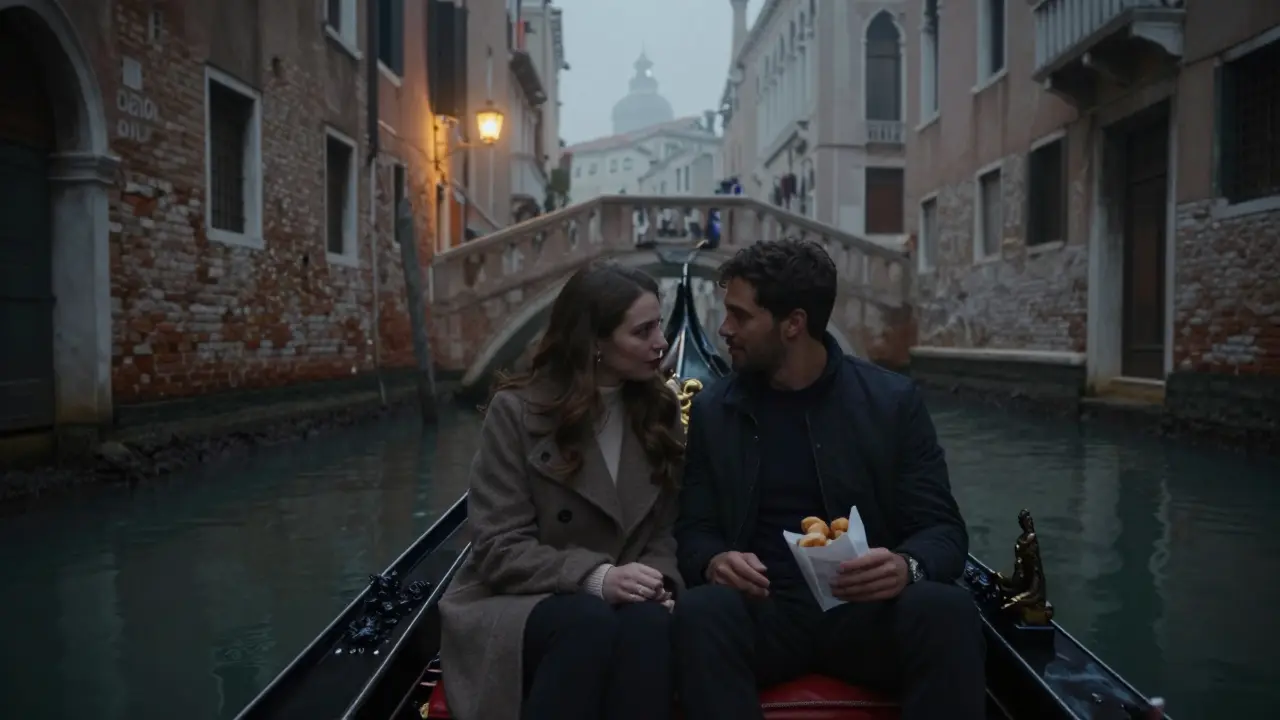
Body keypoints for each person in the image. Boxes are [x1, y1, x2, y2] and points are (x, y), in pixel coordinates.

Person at [671, 239, 985, 720]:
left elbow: (943, 531)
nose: (724, 328)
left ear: (793, 324)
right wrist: (714, 561)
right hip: (766, 614)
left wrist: (907, 566)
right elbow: (693, 531)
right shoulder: (715, 410)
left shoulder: (892, 401)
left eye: (740, 316)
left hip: (866, 616)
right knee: (702, 613)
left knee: (948, 611)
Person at [438, 262, 687, 720]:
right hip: (517, 599)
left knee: (649, 624)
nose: (661, 342)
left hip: (626, 597)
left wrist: (655, 581)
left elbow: (663, 530)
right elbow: (497, 547)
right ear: (595, 342)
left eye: (659, 325)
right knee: (586, 622)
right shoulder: (514, 413)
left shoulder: (660, 410)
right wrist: (598, 579)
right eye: (643, 331)